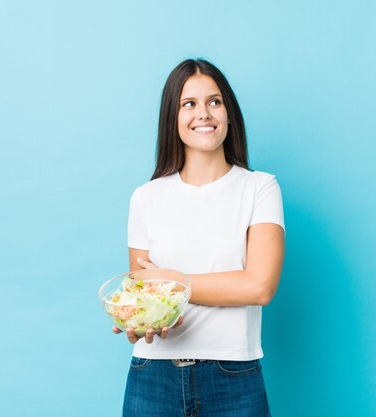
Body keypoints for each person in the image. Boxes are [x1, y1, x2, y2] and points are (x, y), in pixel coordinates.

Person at [112, 58, 285, 417]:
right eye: (188, 104)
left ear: (229, 113)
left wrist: (172, 280)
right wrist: (145, 320)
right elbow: (146, 294)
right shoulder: (145, 197)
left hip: (233, 376)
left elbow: (259, 287)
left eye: (214, 102)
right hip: (153, 376)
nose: (203, 113)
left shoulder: (259, 188)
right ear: (172, 118)